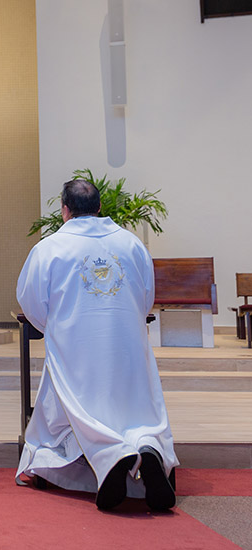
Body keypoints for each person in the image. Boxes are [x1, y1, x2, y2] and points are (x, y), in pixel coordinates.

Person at [16, 178, 177, 511]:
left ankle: (112, 454)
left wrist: (55, 328)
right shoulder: (131, 244)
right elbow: (146, 298)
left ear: (64, 210)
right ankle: (147, 446)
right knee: (135, 411)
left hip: (75, 351)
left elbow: (30, 301)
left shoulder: (49, 248)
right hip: (128, 348)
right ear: (100, 207)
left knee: (72, 408)